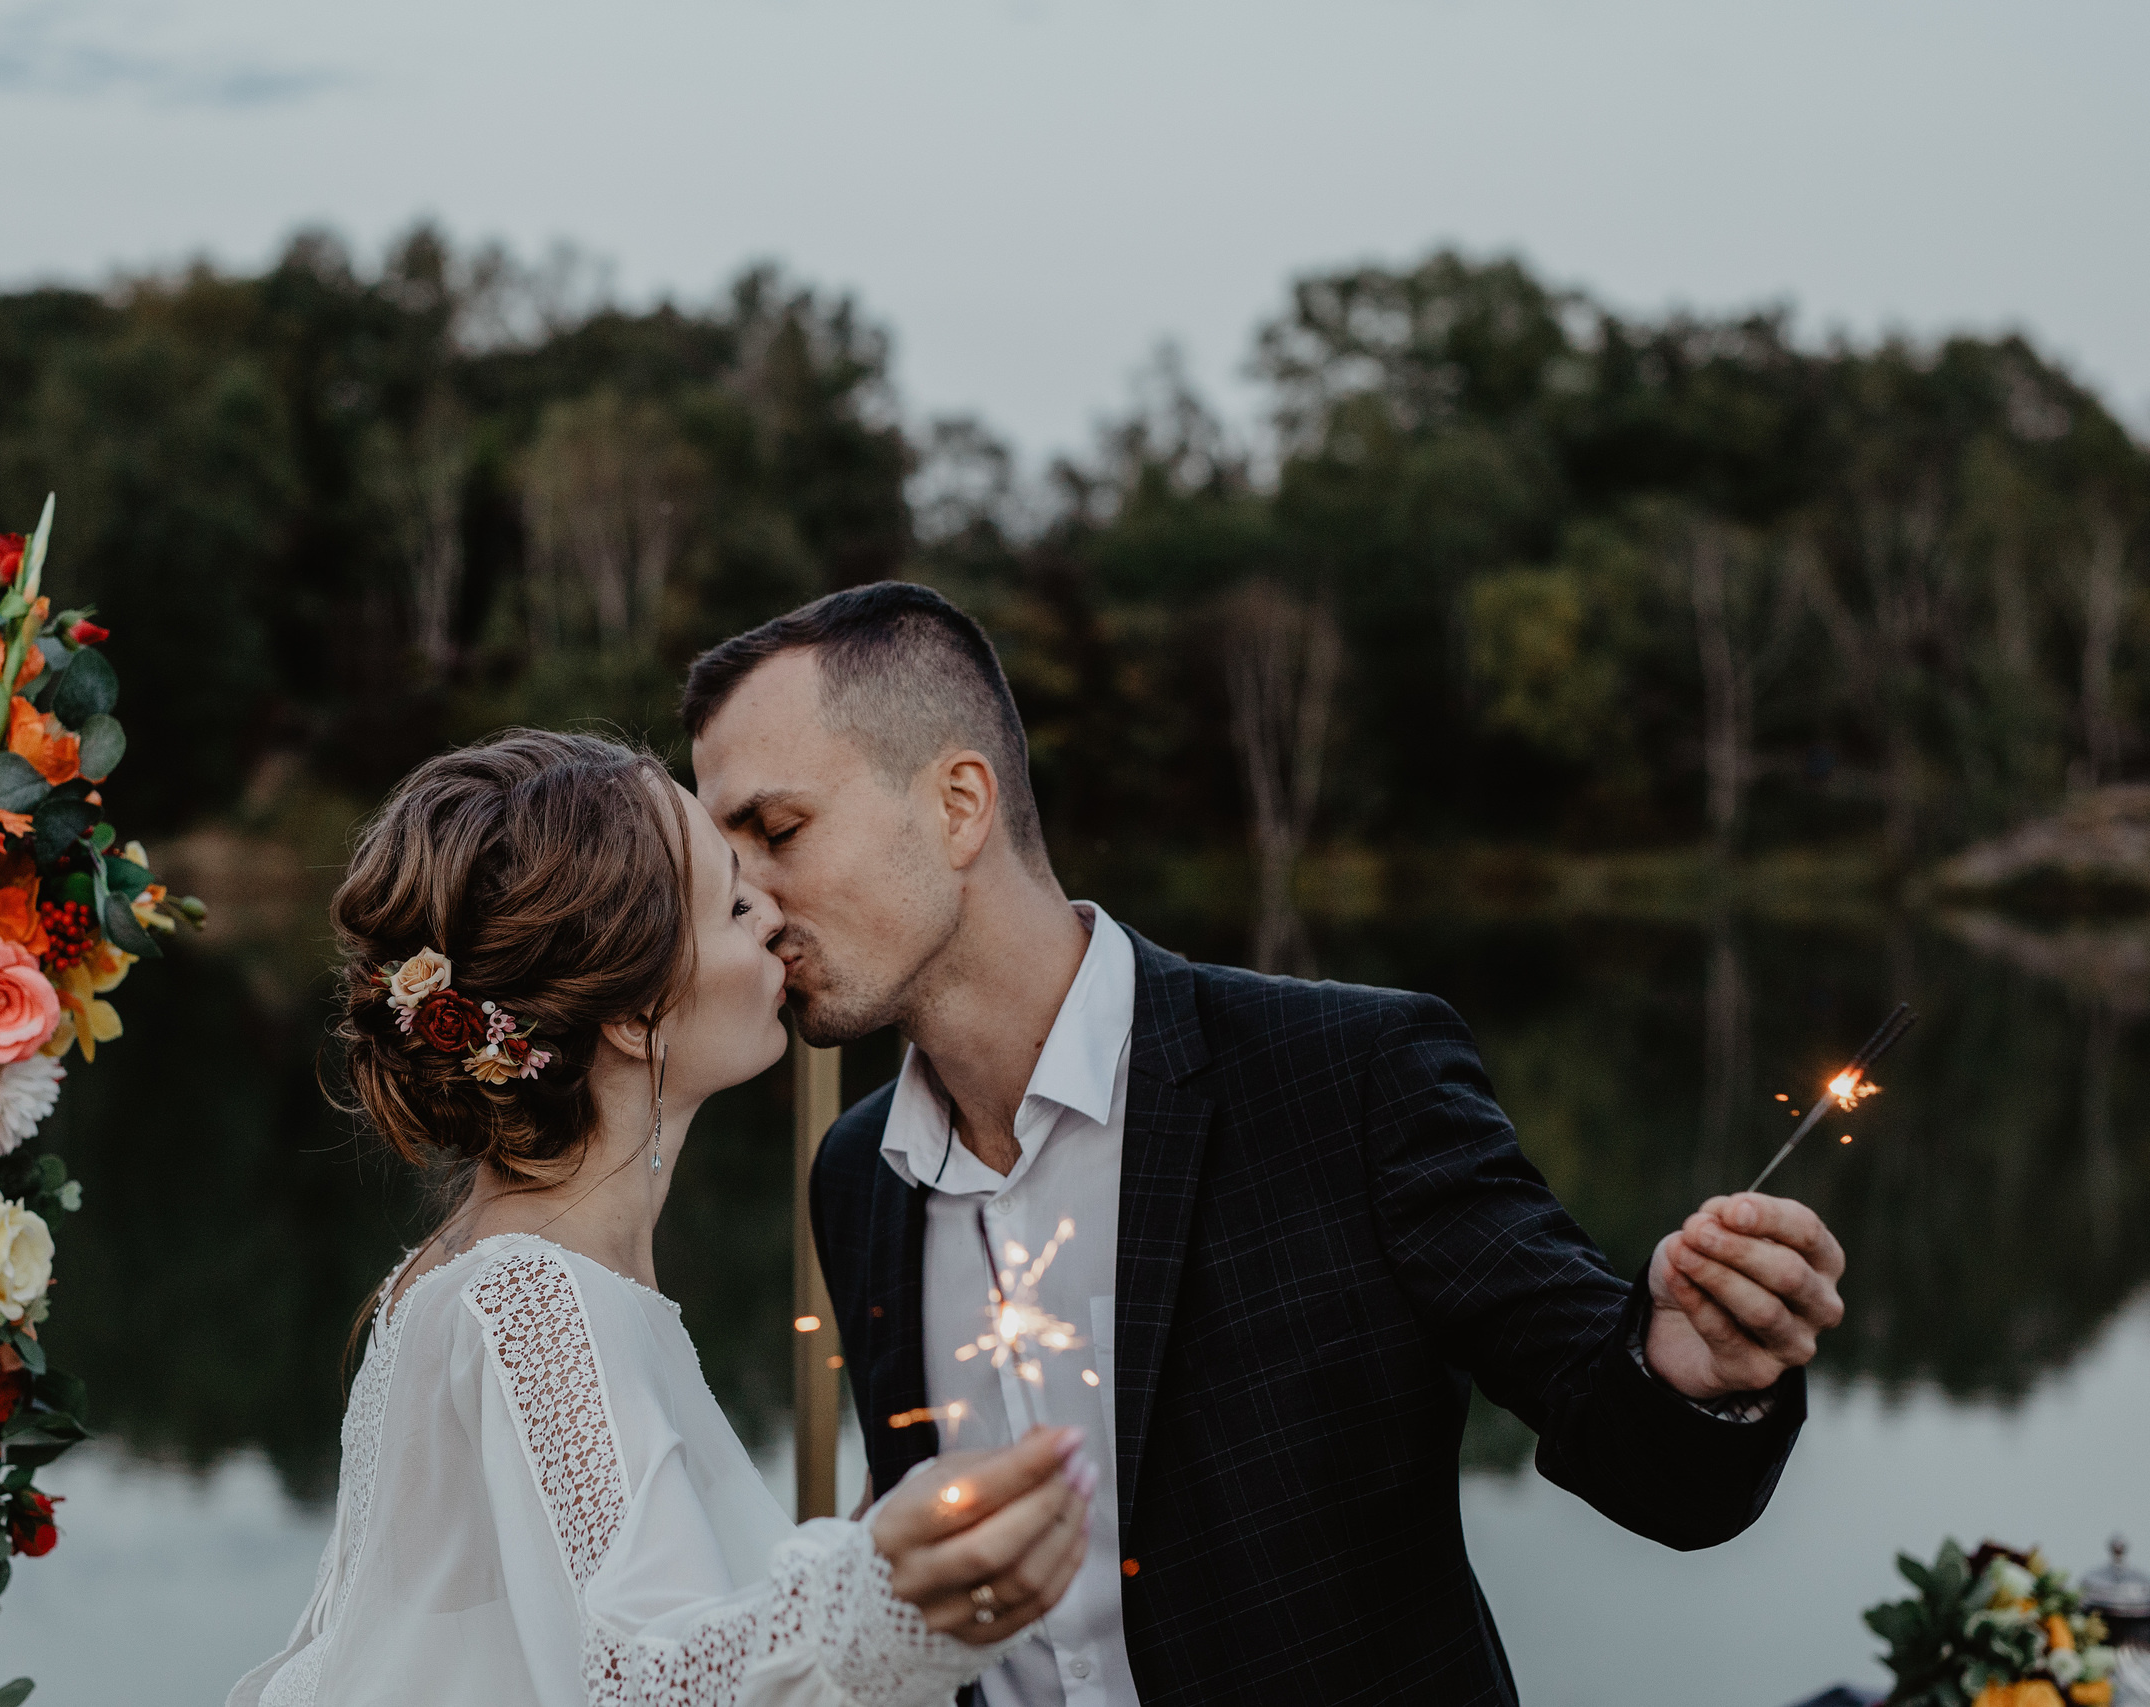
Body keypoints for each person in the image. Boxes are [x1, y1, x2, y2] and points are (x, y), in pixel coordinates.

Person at [682, 584, 1846, 1707]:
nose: (749, 897)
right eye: (726, 854)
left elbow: (1656, 1470)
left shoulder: (1349, 1077)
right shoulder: (855, 1175)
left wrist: (1694, 1373)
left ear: (958, 804)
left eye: (776, 830)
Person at [229, 731, 1094, 1707]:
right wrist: (880, 1606)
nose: (771, 912)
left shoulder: (474, 1270)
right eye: (731, 900)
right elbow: (639, 1680)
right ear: (634, 1014)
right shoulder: (534, 1301)